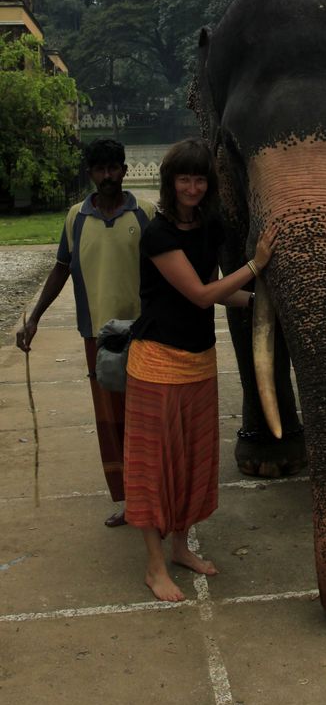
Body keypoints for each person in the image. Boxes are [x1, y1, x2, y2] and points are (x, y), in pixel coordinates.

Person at [123, 138, 277, 603]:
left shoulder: (209, 227)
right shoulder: (158, 234)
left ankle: (179, 548)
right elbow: (199, 295)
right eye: (183, 178)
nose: (192, 187)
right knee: (154, 467)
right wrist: (257, 265)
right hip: (155, 363)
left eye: (199, 178)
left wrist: (260, 302)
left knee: (190, 462)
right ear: (170, 183)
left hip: (198, 362)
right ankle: (154, 567)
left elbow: (214, 288)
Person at [16, 138, 154, 526]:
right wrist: (34, 317)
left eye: (114, 168)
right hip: (97, 336)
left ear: (124, 171)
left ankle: (154, 496)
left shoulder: (145, 212)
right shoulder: (76, 217)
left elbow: (165, 266)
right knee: (112, 422)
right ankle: (129, 500)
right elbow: (62, 267)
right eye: (100, 169)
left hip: (142, 333)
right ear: (91, 173)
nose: (107, 176)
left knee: (147, 417)